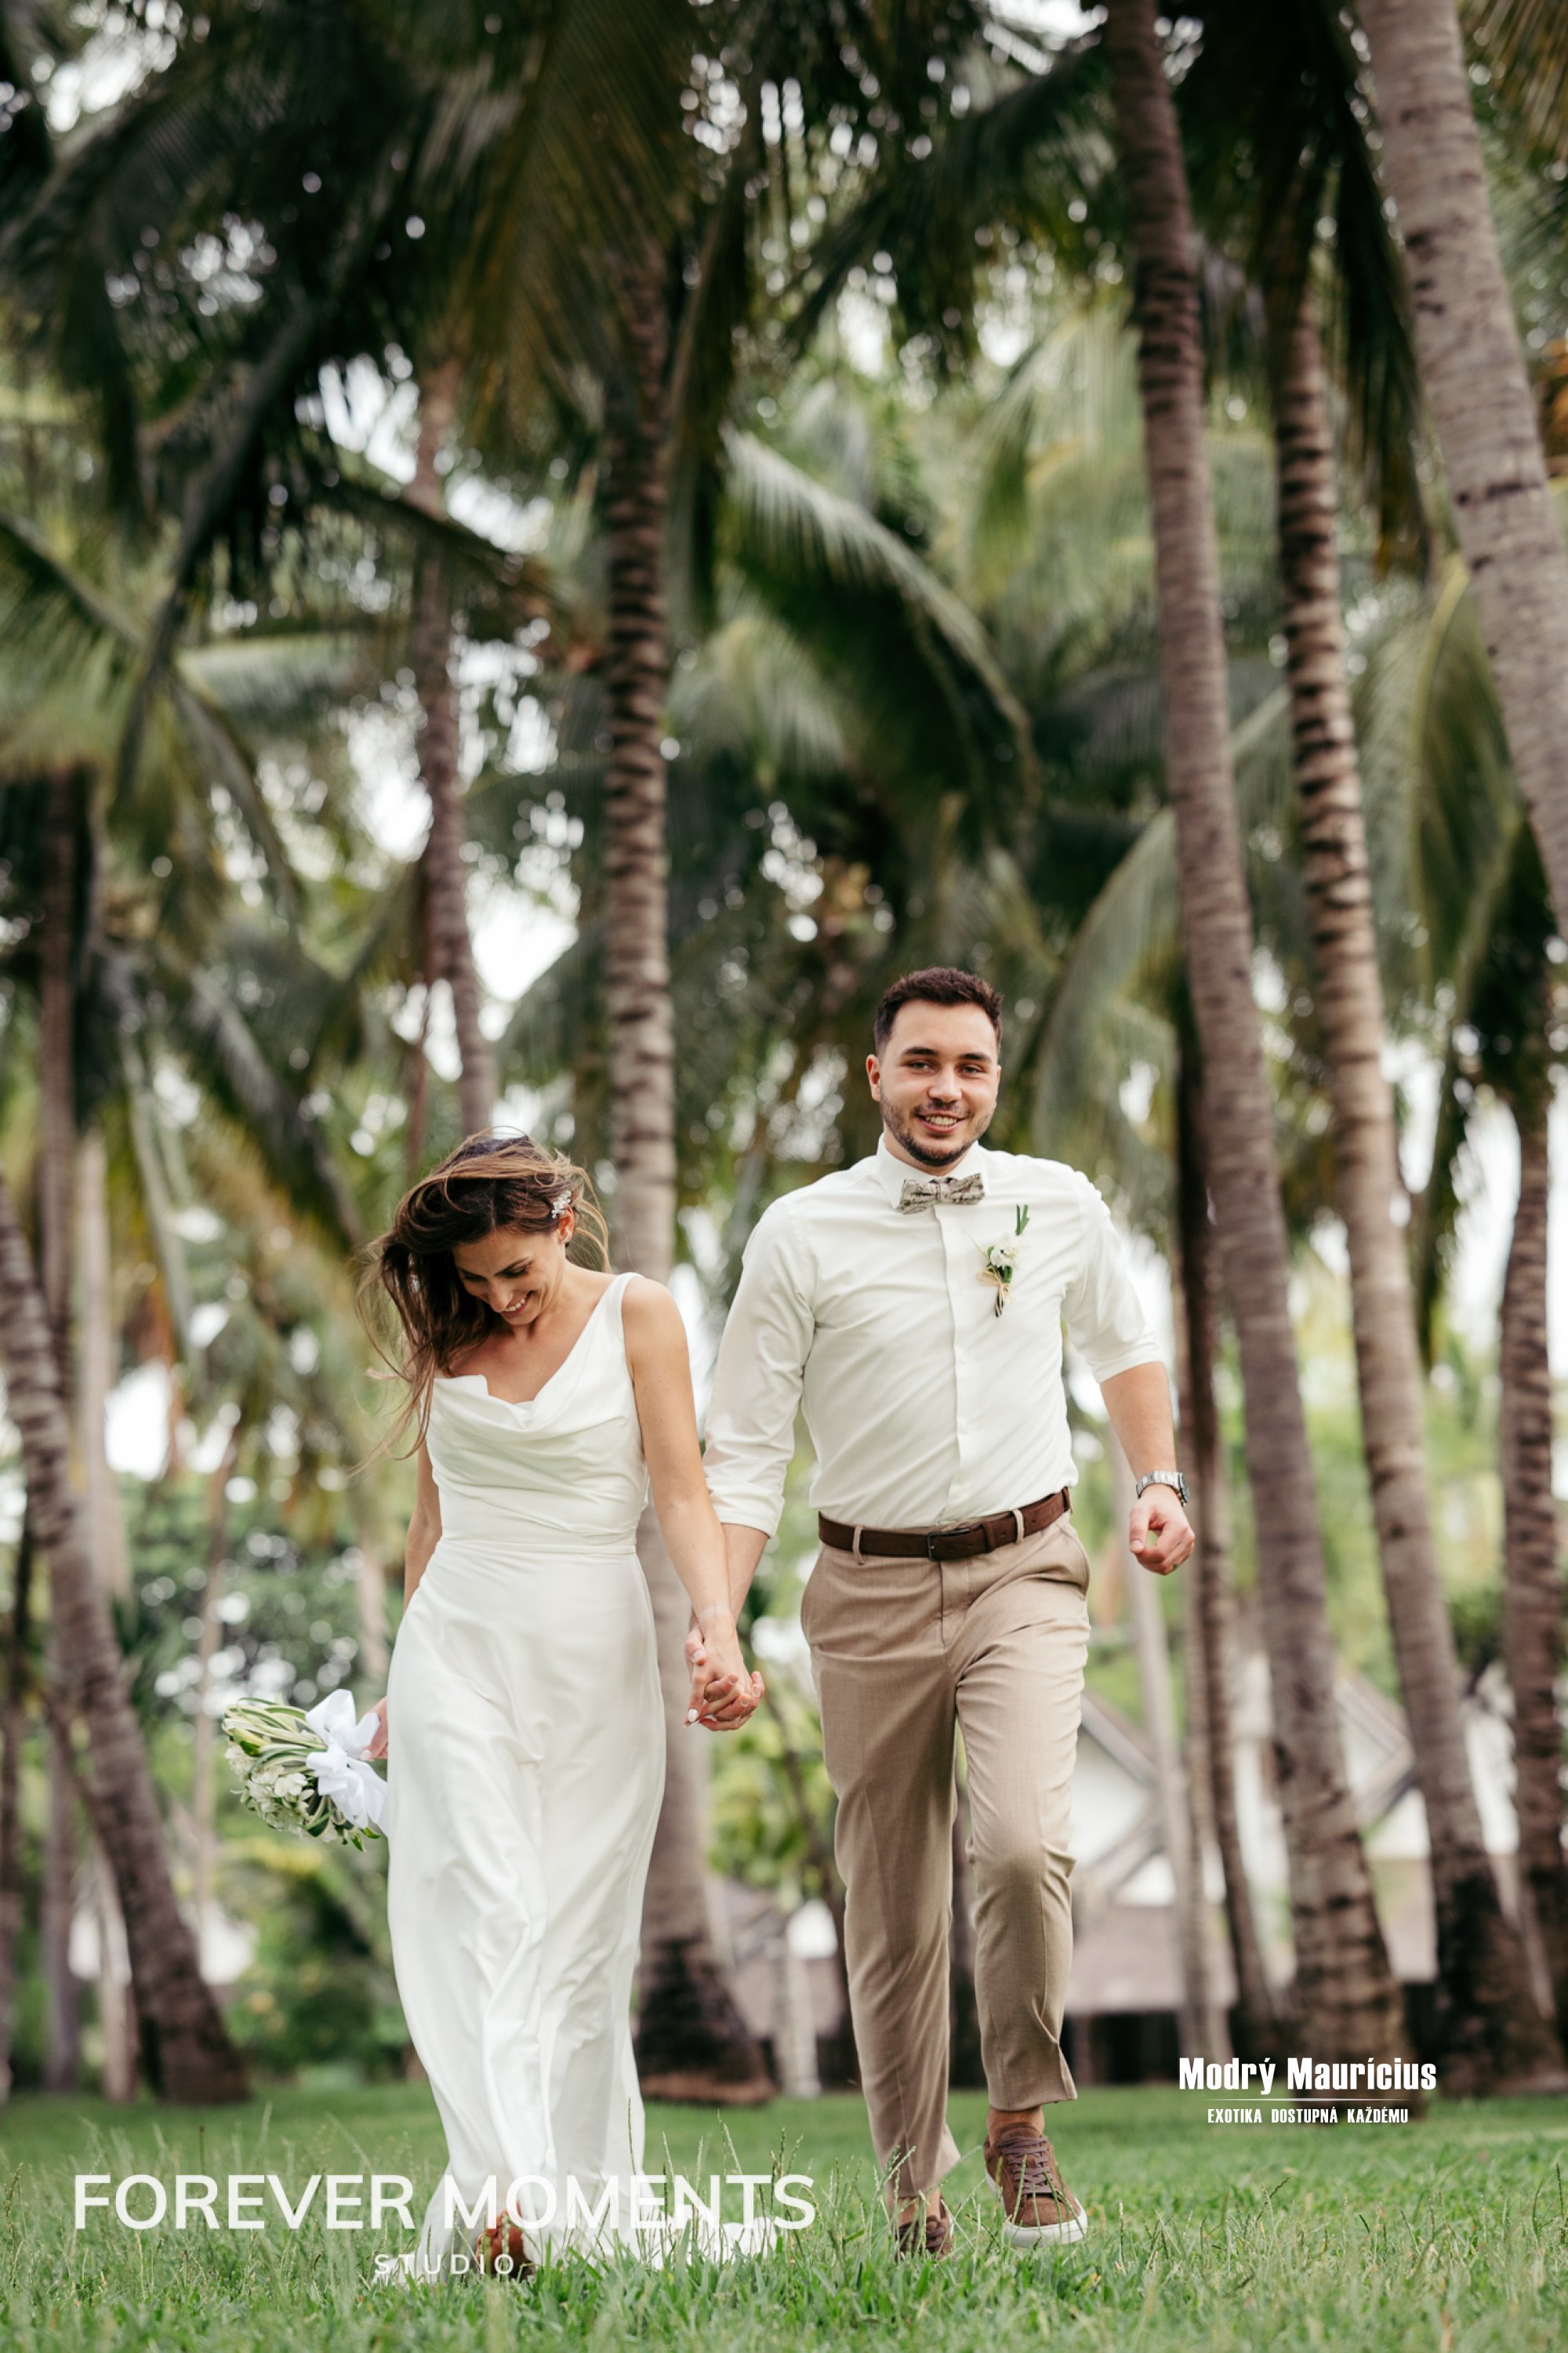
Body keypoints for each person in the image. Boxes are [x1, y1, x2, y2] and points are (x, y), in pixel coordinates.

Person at [699, 967, 1194, 2257]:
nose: (946, 1088)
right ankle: (910, 2188)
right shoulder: (801, 1233)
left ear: (996, 1078)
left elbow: (1126, 1349)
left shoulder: (1058, 1202)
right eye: (921, 1062)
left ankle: (1019, 2121)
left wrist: (1159, 1483)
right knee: (893, 1902)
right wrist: (717, 1617)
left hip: (1023, 1568)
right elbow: (744, 1450)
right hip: (863, 1589)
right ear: (878, 1075)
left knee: (1024, 1844)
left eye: (970, 1065)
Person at [359, 1133, 763, 2279]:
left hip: (593, 1657)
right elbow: (429, 1521)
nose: (498, 1295)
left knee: (579, 1945)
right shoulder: (447, 1332)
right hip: (457, 1651)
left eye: (516, 1270)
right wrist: (399, 1681)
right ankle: (505, 2202)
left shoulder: (640, 1314)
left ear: (563, 1225)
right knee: (480, 1911)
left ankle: (578, 2200)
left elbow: (682, 1491)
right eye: (475, 1276)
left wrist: (719, 1627)